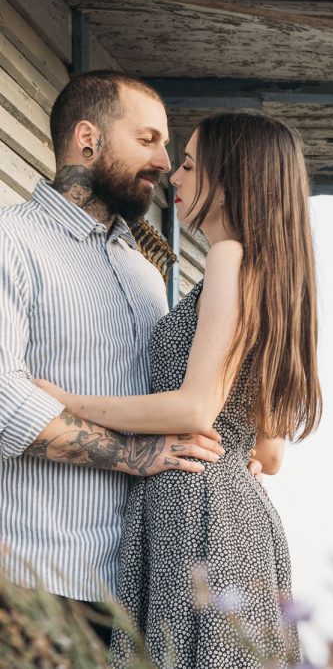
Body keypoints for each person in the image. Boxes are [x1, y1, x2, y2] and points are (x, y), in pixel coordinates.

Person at [35, 111, 323, 668]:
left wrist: (62, 399)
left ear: (232, 176)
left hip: (191, 511)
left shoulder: (229, 257)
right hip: (238, 519)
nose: (176, 178)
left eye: (190, 164)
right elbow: (269, 453)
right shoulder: (277, 277)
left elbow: (195, 406)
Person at [0, 70, 235, 644]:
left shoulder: (145, 274)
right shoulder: (12, 239)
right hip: (31, 575)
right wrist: (137, 455)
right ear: (88, 139)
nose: (163, 161)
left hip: (133, 587)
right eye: (148, 139)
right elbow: (4, 402)